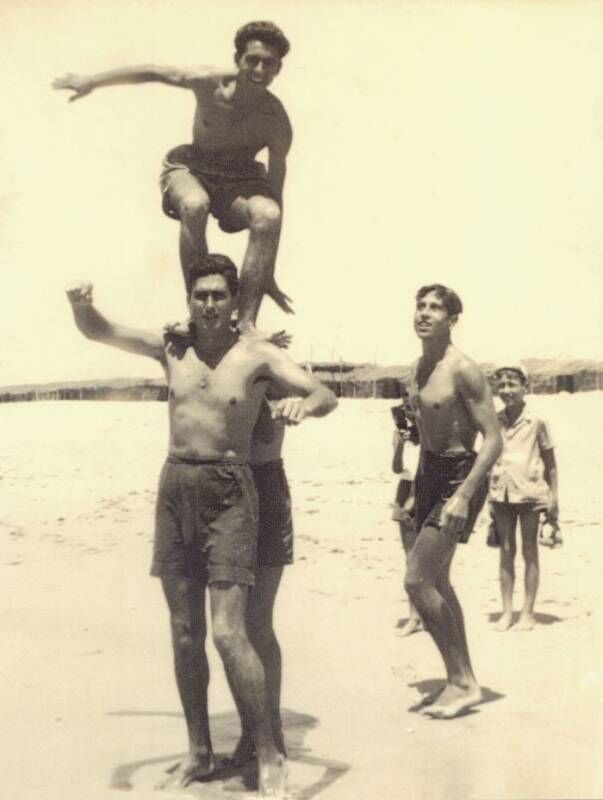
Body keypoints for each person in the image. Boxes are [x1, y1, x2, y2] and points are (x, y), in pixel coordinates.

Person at [65, 254, 337, 798]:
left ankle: (269, 754)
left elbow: (324, 393)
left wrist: (303, 406)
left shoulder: (257, 354)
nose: (209, 304)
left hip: (231, 488)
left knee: (229, 632)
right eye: (200, 295)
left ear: (234, 302)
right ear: (189, 300)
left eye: (219, 295)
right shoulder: (171, 348)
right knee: (184, 632)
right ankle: (198, 751)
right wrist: (81, 303)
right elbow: (101, 330)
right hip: (176, 487)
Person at [54, 20, 293, 333]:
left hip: (238, 180)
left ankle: (247, 323)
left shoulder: (276, 121)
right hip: (192, 167)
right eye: (253, 60)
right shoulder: (208, 82)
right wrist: (92, 81)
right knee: (194, 205)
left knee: (268, 213)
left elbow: (275, 189)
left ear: (278, 68)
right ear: (238, 60)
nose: (260, 70)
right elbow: (154, 71)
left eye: (269, 63)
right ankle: (196, 314)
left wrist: (267, 266)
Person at [405, 284, 502, 719]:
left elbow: (493, 440)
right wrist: (416, 489)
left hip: (461, 475)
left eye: (435, 308)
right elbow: (425, 434)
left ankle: (462, 682)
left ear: (452, 319)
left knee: (416, 581)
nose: (424, 313)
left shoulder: (464, 369)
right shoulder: (417, 368)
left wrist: (463, 495)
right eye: (420, 306)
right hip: (429, 473)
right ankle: (461, 680)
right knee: (438, 581)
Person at [226, 388, 294, 767]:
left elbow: (268, 431)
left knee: (258, 622)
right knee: (232, 627)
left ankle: (273, 729)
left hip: (264, 483)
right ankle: (251, 730)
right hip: (221, 484)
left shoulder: (274, 369)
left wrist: (296, 403)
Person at [488, 363, 560, 632]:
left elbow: (551, 463)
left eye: (512, 385)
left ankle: (527, 612)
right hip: (501, 494)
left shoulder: (537, 421)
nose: (506, 390)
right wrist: (489, 497)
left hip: (530, 494)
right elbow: (489, 458)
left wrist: (554, 498)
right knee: (506, 552)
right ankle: (507, 611)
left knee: (530, 550)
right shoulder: (495, 421)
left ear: (524, 387)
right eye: (501, 386)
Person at [390, 393, 422, 636]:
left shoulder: (433, 432)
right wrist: (400, 445)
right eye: (406, 408)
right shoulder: (400, 433)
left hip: (427, 489)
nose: (410, 413)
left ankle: (429, 612)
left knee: (431, 558)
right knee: (410, 558)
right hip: (406, 487)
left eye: (413, 407)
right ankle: (414, 615)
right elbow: (397, 468)